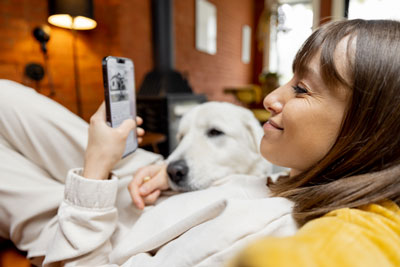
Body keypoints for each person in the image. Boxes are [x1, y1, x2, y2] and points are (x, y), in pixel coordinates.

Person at [0, 18, 399, 266]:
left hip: (82, 224)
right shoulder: (293, 178)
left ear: (365, 130)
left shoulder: (265, 237)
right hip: (135, 177)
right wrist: (166, 173)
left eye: (301, 88)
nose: (271, 99)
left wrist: (95, 169)